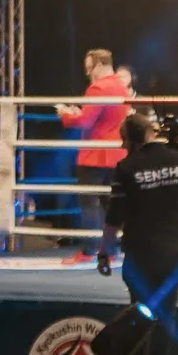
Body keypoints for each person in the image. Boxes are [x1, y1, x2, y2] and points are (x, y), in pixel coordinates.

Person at [100, 111, 178, 355]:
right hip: (173, 251)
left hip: (139, 251)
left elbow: (114, 216)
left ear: (133, 138)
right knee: (167, 314)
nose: (122, 146)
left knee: (139, 313)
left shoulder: (126, 167)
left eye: (124, 140)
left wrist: (104, 251)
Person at [54, 49, 131, 260]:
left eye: (89, 68)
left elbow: (86, 122)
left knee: (88, 202)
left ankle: (89, 250)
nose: (88, 73)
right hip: (116, 153)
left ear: (99, 65)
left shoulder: (98, 88)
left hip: (95, 154)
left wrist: (66, 115)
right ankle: (110, 249)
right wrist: (80, 114)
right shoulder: (121, 87)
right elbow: (107, 119)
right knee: (109, 203)